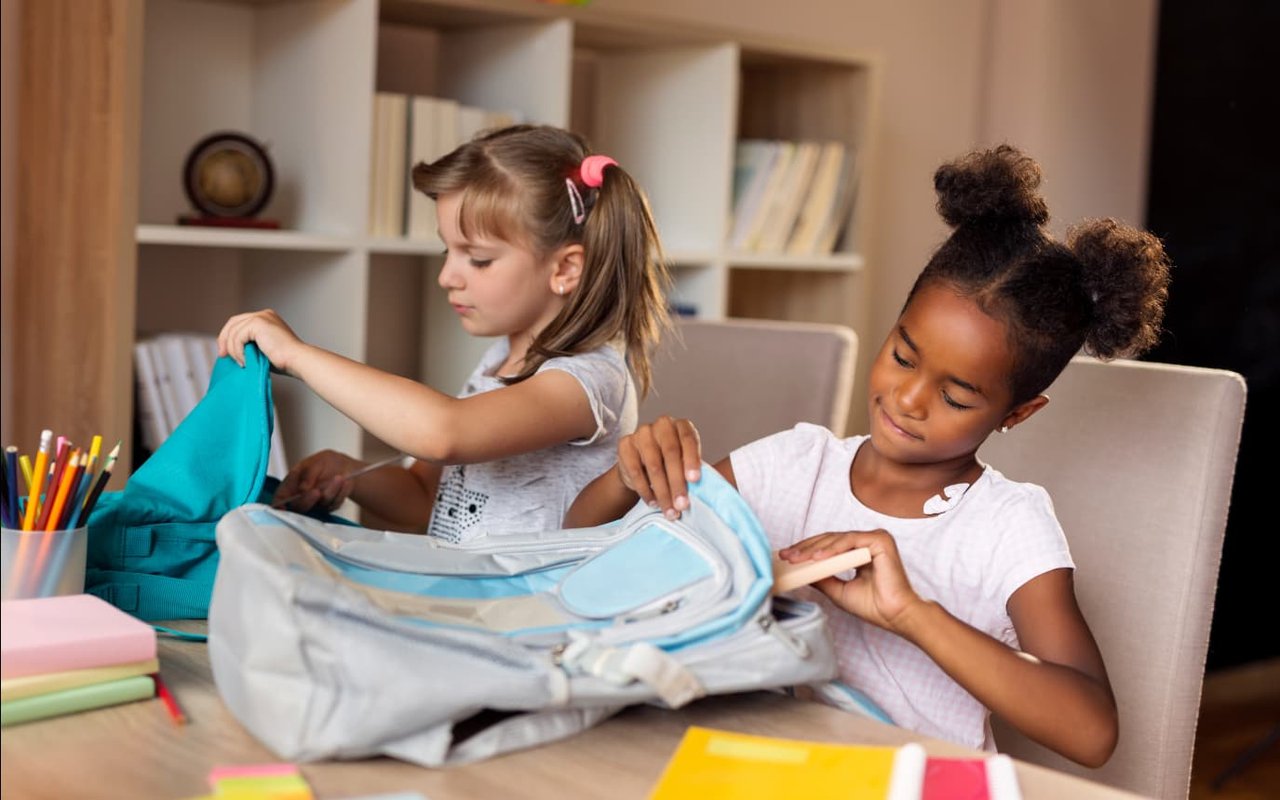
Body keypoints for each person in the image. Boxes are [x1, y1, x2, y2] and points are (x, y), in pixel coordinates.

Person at [565, 144, 1171, 767]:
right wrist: (627, 476)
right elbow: (577, 558)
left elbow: (1091, 731)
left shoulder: (1007, 526)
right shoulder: (792, 467)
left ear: (1016, 414)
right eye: (904, 356)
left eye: (956, 396)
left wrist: (911, 614)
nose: (908, 399)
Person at [218, 124, 672, 541]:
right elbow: (422, 496)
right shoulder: (500, 361)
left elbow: (444, 433)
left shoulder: (588, 382)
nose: (447, 277)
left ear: (566, 268)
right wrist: (352, 473)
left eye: (477, 259)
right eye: (447, 250)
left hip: (527, 614)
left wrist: (297, 355)